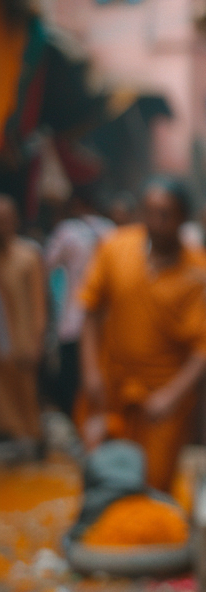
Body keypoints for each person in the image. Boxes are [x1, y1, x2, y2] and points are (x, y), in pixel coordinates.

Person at [77, 179, 206, 492]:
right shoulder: (115, 247)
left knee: (152, 483)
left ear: (184, 218)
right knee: (101, 477)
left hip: (163, 399)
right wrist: (90, 373)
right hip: (111, 390)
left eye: (165, 214)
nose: (155, 222)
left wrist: (173, 394)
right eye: (149, 212)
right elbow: (90, 312)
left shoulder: (201, 271)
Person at [44, 192, 115, 418]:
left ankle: (78, 423)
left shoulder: (67, 231)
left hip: (73, 318)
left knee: (71, 378)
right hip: (106, 321)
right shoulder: (111, 230)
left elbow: (46, 264)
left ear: (76, 204)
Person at [0, 194, 47, 458]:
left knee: (27, 397)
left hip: (24, 341)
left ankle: (32, 441)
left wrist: (38, 340)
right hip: (2, 341)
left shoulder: (28, 256)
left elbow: (39, 305)